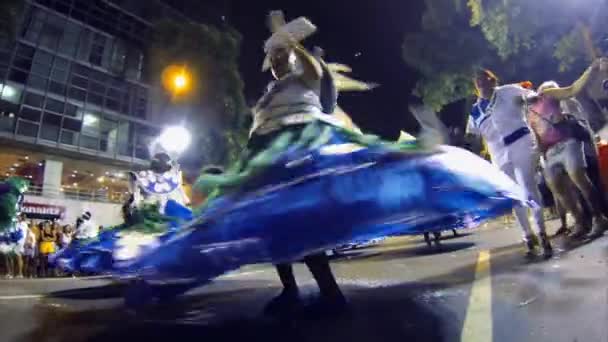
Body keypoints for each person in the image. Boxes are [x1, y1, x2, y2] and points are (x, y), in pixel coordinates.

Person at [249, 11, 346, 315]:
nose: (276, 62)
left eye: (281, 56)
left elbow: (316, 73)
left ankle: (332, 294)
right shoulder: (270, 91)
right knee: (274, 227)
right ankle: (289, 289)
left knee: (303, 224)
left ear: (291, 57)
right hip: (271, 166)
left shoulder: (304, 78)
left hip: (299, 161)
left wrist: (291, 42)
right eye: (272, 58)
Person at [468, 70, 552, 258]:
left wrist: (530, 99)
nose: (481, 82)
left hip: (521, 142)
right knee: (513, 195)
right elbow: (473, 135)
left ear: (493, 80)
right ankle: (528, 237)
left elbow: (532, 98)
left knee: (528, 188)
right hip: (498, 154)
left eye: (485, 79)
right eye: (477, 80)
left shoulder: (508, 91)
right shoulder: (475, 111)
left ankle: (542, 233)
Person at [524, 58, 608, 239]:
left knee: (579, 177)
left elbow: (572, 89)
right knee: (557, 188)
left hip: (568, 143)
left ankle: (599, 218)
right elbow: (537, 135)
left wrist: (591, 70)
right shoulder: (529, 112)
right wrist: (541, 156)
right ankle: (580, 222)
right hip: (551, 152)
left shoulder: (548, 94)